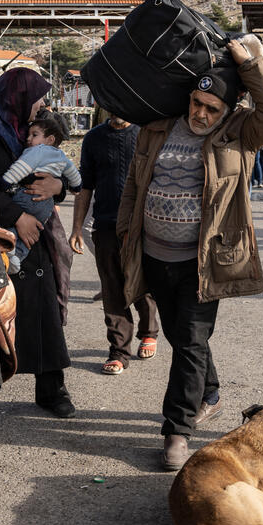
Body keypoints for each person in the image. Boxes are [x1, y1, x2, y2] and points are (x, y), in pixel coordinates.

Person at [117, 36, 263, 470]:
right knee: (180, 336)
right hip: (155, 255)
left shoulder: (240, 134)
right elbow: (135, 186)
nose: (201, 113)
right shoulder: (158, 128)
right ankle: (209, 391)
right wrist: (125, 237)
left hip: (203, 263)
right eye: (197, 102)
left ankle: (177, 431)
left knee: (190, 343)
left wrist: (250, 64)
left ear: (227, 111)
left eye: (212, 108)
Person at [0, 68, 77, 420]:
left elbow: (57, 167)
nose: (41, 105)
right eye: (37, 97)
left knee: (43, 312)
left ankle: (51, 388)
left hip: (33, 234)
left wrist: (59, 188)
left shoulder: (23, 127)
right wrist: (16, 216)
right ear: (19, 96)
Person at [70, 114, 159, 375]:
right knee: (112, 288)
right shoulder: (94, 138)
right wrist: (77, 227)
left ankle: (149, 331)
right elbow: (85, 187)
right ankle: (119, 351)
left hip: (141, 225)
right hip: (106, 224)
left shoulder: (146, 134)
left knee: (141, 282)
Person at [0, 109, 81, 273]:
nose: (28, 139)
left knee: (10, 224)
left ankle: (6, 247)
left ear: (50, 139)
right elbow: (74, 176)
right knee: (31, 234)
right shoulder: (61, 156)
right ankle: (17, 258)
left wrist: (5, 182)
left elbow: (21, 168)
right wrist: (75, 187)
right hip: (46, 206)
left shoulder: (37, 151)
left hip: (28, 196)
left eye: (34, 135)